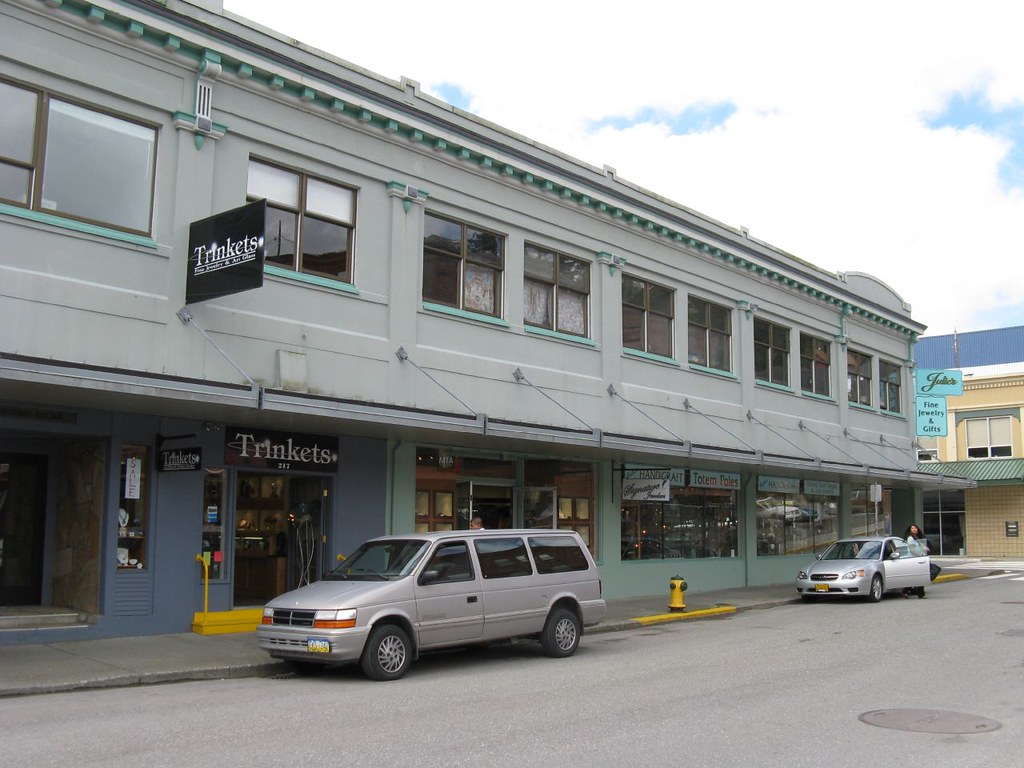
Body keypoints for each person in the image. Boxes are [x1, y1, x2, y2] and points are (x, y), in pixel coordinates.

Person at [904, 524, 931, 598]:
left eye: (915, 528)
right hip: (913, 560)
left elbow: (922, 546)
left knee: (918, 576)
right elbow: (912, 550)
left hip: (919, 558)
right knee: (919, 576)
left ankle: (907, 591)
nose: (914, 529)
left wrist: (925, 549)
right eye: (912, 528)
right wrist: (920, 554)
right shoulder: (910, 538)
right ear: (910, 530)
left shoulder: (916, 538)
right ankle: (917, 593)